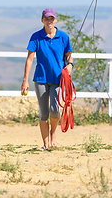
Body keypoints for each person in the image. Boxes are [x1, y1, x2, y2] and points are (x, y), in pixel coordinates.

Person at [21, 8, 74, 150]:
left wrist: (70, 66)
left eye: (51, 18)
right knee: (44, 111)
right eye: (46, 18)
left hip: (58, 79)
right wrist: (25, 80)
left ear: (55, 20)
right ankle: (45, 143)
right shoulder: (36, 37)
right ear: (42, 20)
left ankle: (53, 133)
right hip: (41, 78)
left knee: (55, 109)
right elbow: (30, 59)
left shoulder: (63, 37)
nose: (49, 21)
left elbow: (68, 56)